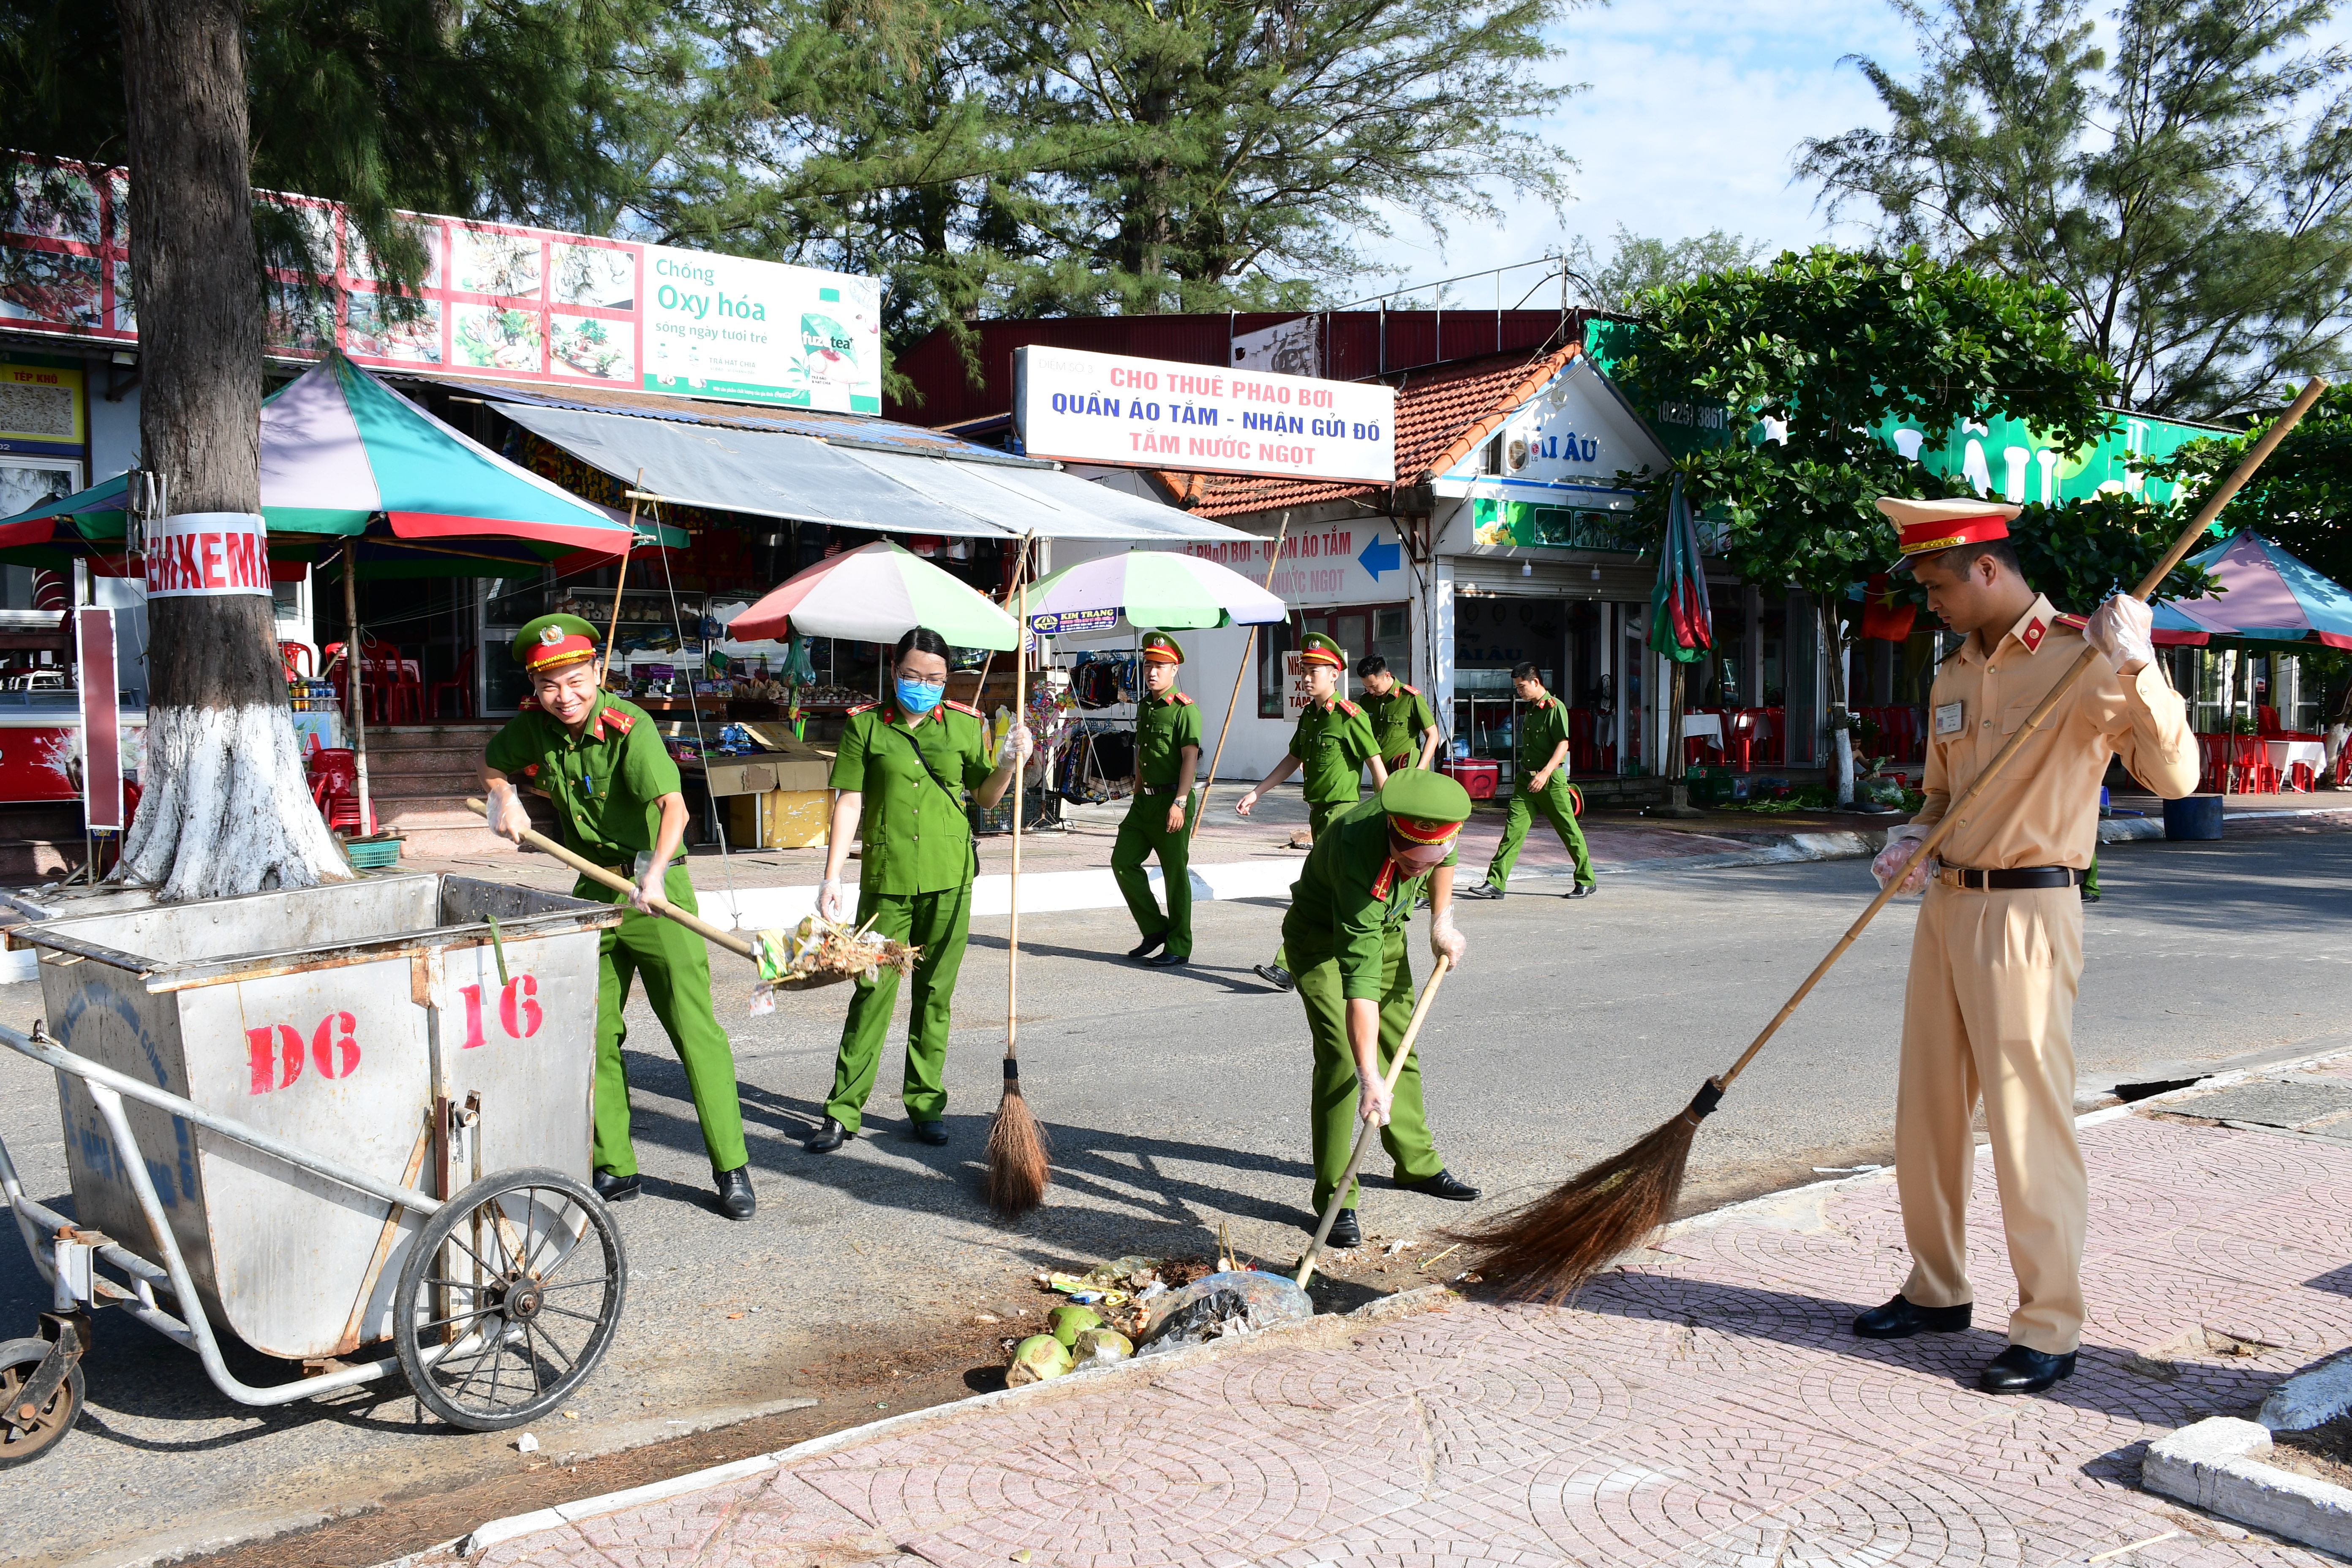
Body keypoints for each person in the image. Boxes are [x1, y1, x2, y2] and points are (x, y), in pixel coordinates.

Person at [1857, 496, 2196, 1394]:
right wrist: (1909, 839)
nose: (1930, 601)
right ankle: (1936, 1289)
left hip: (2029, 912)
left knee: (2024, 1121)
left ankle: (2049, 1322)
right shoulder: (1953, 676)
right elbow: (1938, 798)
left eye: (1936, 584)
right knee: (1926, 1109)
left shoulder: (2087, 658)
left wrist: (2141, 664)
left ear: (1987, 569)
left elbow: (2177, 777)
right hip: (1949, 907)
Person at [480, 614, 755, 1219]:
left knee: (692, 1029)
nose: (565, 697)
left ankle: (732, 1167)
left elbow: (675, 809)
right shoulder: (537, 729)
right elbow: (494, 764)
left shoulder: (630, 729)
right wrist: (507, 796)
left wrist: (653, 876)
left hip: (656, 887)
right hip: (593, 889)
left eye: (576, 681)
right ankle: (617, 1166)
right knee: (594, 1029)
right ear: (535, 686)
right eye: (550, 686)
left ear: (597, 673)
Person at [804, 628, 1031, 1152]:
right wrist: (832, 874)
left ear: (947, 679)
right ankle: (843, 1109)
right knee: (871, 993)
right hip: (888, 882)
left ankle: (925, 1103)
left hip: (950, 879)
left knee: (934, 996)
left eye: (934, 679)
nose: (923, 686)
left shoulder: (965, 725)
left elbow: (987, 797)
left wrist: (1009, 764)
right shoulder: (865, 727)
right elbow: (850, 802)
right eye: (913, 676)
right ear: (894, 673)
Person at [1285, 770, 1481, 1250]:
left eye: (1423, 865)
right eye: (1406, 863)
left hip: (1387, 933)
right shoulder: (1359, 855)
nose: (1416, 871)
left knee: (1402, 1042)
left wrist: (1441, 921)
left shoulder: (1436, 821)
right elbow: (1361, 987)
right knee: (1343, 1059)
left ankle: (1417, 1164)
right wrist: (1370, 1074)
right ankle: (1337, 1195)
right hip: (1325, 942)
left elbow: (1444, 860)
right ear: (1393, 835)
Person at [1236, 631, 1388, 991]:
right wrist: (1258, 792)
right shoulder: (1311, 716)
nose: (1306, 678)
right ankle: (1356, 954)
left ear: (1335, 675)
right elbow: (1294, 758)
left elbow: (1378, 768)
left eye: (1314, 671)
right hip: (1318, 815)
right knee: (1336, 894)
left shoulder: (1351, 717)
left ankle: (1287, 965)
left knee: (1312, 890)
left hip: (1341, 816)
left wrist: (1388, 814)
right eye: (1303, 671)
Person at [1460, 661, 1596, 900]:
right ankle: (1495, 883)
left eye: (1522, 687)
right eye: (1517, 688)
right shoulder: (1531, 709)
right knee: (1513, 830)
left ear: (1536, 682)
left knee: (1568, 830)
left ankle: (1586, 880)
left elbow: (1563, 745)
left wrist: (1544, 774)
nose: (1519, 692)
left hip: (1550, 780)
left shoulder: (1555, 708)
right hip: (1526, 780)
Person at [1113, 632, 1201, 967]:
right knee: (1123, 861)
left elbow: (1190, 757)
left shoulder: (1184, 710)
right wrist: (1136, 791)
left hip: (1171, 801)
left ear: (1174, 669)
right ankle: (1154, 929)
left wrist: (1180, 802)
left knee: (1175, 874)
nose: (1152, 671)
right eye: (1149, 664)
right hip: (1143, 802)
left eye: (1160, 666)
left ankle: (1179, 944)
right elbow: (1142, 752)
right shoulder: (1147, 706)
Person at [1356, 656, 1440, 774]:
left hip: (1408, 772)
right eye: (1367, 686)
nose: (1371, 691)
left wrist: (1420, 768)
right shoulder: (1367, 701)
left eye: (1374, 686)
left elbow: (1433, 735)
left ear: (1387, 676)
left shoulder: (1410, 698)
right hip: (1380, 774)